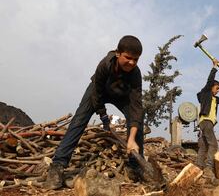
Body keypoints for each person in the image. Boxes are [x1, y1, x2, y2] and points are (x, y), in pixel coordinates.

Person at [44, 35, 144, 189]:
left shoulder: (136, 74)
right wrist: (103, 115)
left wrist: (131, 139)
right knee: (78, 120)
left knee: (137, 121)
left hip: (121, 94)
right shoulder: (104, 65)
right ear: (118, 53)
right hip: (99, 91)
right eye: (128, 57)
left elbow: (137, 107)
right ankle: (57, 165)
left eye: (136, 59)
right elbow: (96, 94)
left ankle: (136, 166)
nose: (132, 62)